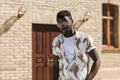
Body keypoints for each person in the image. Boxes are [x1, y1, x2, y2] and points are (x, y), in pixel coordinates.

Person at [52, 10, 101, 80]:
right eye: (59, 24)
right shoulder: (56, 41)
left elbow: (97, 60)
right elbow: (55, 66)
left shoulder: (85, 39)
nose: (62, 26)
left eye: (65, 23)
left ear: (72, 21)